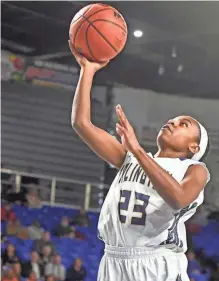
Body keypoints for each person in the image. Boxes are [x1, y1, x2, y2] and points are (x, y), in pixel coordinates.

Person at [69, 41, 210, 281]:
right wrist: (88, 70)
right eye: (173, 120)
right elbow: (81, 123)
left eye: (183, 124)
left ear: (194, 147)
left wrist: (136, 149)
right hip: (114, 261)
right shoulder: (131, 158)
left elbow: (178, 198)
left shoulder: (195, 169)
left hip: (156, 264)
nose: (173, 123)